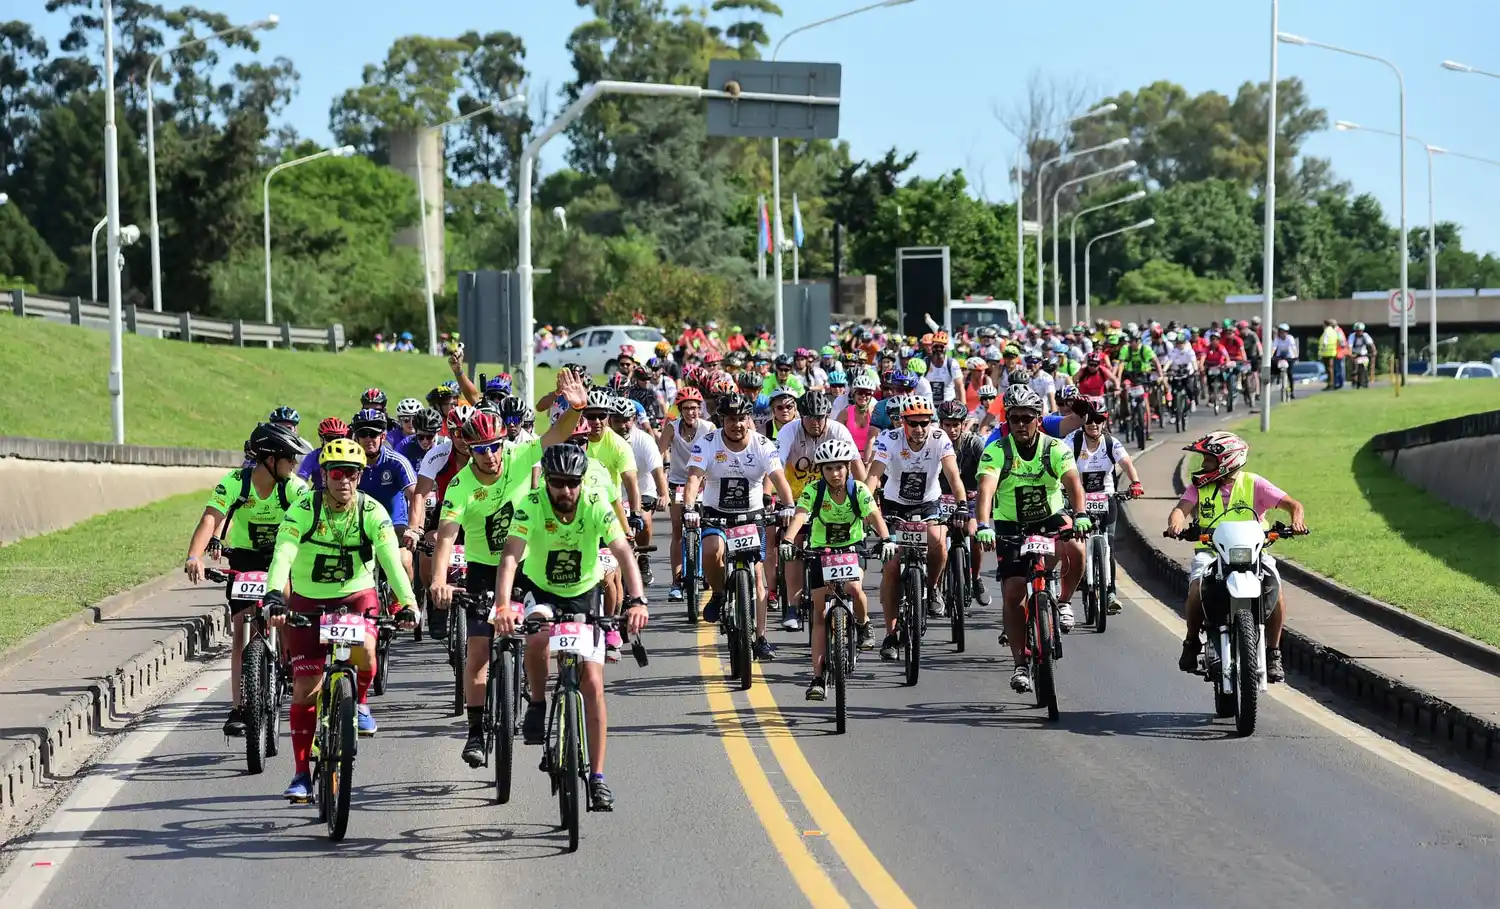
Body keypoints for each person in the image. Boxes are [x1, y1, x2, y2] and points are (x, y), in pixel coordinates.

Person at [489, 442, 649, 811]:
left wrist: (637, 601)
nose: (566, 490)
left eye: (573, 483)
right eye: (558, 482)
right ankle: (537, 702)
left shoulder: (595, 503)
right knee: (537, 637)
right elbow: (510, 556)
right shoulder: (531, 504)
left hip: (584, 593)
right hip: (542, 589)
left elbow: (623, 552)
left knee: (592, 682)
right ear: (546, 480)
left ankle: (598, 777)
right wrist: (503, 605)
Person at [262, 438, 419, 800]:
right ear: (324, 475)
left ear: (360, 476)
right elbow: (283, 553)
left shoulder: (372, 511)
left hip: (355, 597)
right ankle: (301, 774)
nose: (344, 480)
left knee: (367, 651)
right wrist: (274, 595)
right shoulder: (303, 508)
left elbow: (391, 560)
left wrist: (408, 603)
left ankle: (359, 701)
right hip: (308, 601)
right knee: (306, 688)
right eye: (336, 473)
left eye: (351, 473)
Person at [184, 422, 310, 735]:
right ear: (270, 459)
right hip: (244, 558)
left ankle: (291, 660)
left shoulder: (294, 488)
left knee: (286, 601)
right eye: (289, 457)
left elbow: (312, 520)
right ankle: (238, 707)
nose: (294, 464)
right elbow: (210, 518)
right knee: (241, 630)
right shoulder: (235, 483)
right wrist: (194, 556)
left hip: (280, 557)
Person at [973, 385, 1090, 693]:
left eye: (1027, 418)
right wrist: (983, 524)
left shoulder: (1055, 448)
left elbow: (1073, 482)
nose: (1021, 424)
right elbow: (986, 489)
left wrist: (1080, 514)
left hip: (1049, 516)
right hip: (1010, 522)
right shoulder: (997, 449)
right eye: (1015, 419)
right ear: (1007, 420)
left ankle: (1064, 602)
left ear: (1039, 418)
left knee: (1077, 547)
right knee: (1013, 592)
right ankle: (1020, 664)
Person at [1166, 431, 1307, 684]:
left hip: (1253, 553)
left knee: (1276, 590)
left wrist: (1296, 521)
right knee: (1196, 588)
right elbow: (1181, 509)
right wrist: (1175, 524)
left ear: (1227, 461)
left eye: (1209, 459)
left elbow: (1293, 505)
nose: (1204, 464)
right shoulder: (1198, 486)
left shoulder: (1254, 483)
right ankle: (1191, 642)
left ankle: (1273, 652)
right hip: (1211, 552)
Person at [682, 392, 796, 663]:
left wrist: (789, 505)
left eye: (742, 418)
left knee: (757, 575)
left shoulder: (762, 444)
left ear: (748, 419)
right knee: (712, 551)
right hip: (716, 513)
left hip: (751, 515)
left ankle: (761, 638)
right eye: (731, 419)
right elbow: (693, 479)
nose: (738, 424)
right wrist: (689, 508)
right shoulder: (707, 443)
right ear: (722, 420)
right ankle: (719, 593)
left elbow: (778, 477)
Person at [780, 438, 892, 700]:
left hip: (852, 547)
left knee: (853, 588)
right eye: (829, 468)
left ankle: (863, 623)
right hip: (822, 550)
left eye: (839, 467)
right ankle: (818, 678)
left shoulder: (859, 490)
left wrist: (886, 539)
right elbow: (800, 514)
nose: (835, 473)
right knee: (819, 613)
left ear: (848, 468)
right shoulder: (813, 490)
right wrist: (788, 540)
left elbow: (874, 515)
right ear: (821, 470)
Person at [865, 396, 968, 658]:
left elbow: (953, 475)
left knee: (938, 542)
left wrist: (962, 505)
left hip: (927, 503)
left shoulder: (939, 438)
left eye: (924, 423)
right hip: (895, 505)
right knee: (891, 565)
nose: (920, 429)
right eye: (913, 424)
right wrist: (864, 505)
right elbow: (874, 475)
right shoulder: (889, 438)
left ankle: (932, 588)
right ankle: (890, 634)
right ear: (903, 422)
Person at [775, 390, 866, 634]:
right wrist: (779, 501)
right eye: (810, 417)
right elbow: (775, 468)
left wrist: (865, 498)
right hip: (796, 498)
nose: (816, 422)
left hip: (832, 498)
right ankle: (793, 606)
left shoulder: (838, 430)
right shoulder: (789, 431)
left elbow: (856, 466)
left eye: (820, 417)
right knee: (794, 544)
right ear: (801, 416)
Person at [1061, 405, 1143, 613]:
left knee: (1109, 546)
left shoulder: (1111, 443)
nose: (1094, 424)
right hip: (1078, 499)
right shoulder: (1072, 441)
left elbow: (1126, 462)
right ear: (1083, 422)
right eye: (1089, 420)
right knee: (1076, 545)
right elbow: (1058, 462)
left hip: (1106, 497)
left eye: (1098, 420)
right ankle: (1077, 577)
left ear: (1104, 422)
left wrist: (1135, 482)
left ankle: (1111, 592)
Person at [660, 387, 714, 601]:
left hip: (703, 482)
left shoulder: (708, 428)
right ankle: (676, 582)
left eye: (695, 408)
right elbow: (658, 455)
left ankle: (708, 569)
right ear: (680, 410)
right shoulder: (671, 428)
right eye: (686, 408)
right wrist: (661, 487)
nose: (691, 412)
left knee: (708, 526)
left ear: (700, 409)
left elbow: (716, 454)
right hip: (678, 483)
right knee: (677, 529)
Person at [611, 395, 668, 586]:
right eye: (617, 420)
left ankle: (643, 557)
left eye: (627, 420)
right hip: (615, 492)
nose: (622, 425)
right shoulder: (605, 439)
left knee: (644, 518)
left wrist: (663, 494)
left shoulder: (644, 440)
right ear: (610, 420)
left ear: (634, 420)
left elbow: (657, 470)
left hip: (643, 488)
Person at [937, 398, 989, 607]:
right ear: (941, 424)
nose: (951, 429)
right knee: (937, 541)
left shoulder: (974, 443)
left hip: (970, 499)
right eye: (947, 425)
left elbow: (987, 471)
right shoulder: (933, 442)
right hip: (939, 499)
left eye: (955, 425)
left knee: (974, 535)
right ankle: (935, 586)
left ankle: (976, 578)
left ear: (962, 424)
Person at [1318, 319, 1341, 390]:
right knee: (1331, 369)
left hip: (1326, 353)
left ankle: (1330, 384)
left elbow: (1325, 342)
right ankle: (1332, 383)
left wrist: (1321, 352)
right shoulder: (1333, 331)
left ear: (1325, 324)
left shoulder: (1327, 331)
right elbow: (1338, 341)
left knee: (1328, 369)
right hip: (1332, 352)